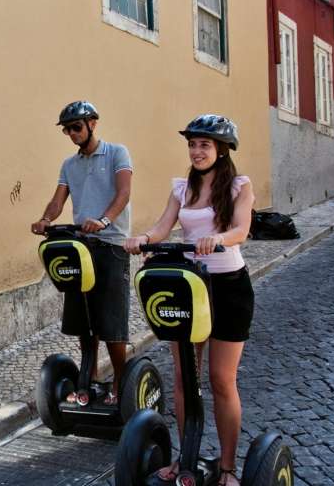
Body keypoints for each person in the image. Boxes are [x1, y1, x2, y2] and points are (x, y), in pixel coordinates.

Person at [124, 114, 255, 486]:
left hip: (229, 287)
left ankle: (227, 469)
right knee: (184, 378)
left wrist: (218, 239)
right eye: (193, 145)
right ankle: (187, 460)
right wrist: (143, 239)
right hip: (191, 287)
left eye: (205, 145)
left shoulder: (238, 187)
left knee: (220, 380)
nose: (197, 151)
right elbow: (164, 225)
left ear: (222, 150)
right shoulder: (181, 189)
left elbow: (241, 229)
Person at [31, 101, 133, 404]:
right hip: (81, 248)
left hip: (111, 245)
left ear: (93, 123)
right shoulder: (69, 164)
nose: (72, 133)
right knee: (85, 318)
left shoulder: (117, 153)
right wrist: (46, 219)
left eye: (76, 127)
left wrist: (103, 220)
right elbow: (58, 200)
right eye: (67, 129)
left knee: (112, 321)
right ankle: (90, 378)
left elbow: (124, 193)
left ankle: (120, 382)